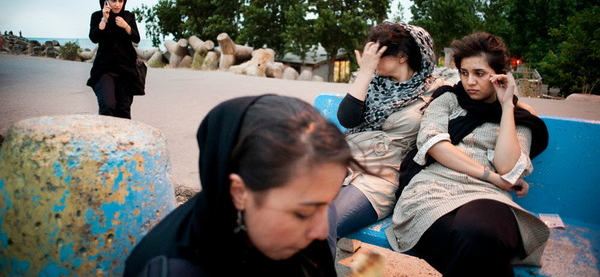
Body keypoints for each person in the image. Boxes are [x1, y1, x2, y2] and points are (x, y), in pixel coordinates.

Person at [124, 95, 361, 277]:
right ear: (239, 192)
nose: (322, 231)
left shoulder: (307, 219)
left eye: (329, 202)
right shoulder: (175, 269)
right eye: (303, 213)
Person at [386, 32, 550, 276]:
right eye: (464, 73)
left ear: (500, 75)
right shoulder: (447, 99)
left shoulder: (520, 115)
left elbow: (508, 168)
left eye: (479, 73)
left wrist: (506, 107)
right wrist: (489, 175)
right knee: (482, 247)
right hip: (431, 189)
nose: (469, 81)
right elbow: (434, 144)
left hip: (486, 196)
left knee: (478, 234)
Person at [328, 21, 446, 251]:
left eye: (377, 54)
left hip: (378, 178)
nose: (370, 61)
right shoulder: (371, 83)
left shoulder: (437, 91)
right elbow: (347, 119)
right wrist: (365, 73)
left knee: (322, 225)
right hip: (341, 163)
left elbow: (481, 102)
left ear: (402, 56)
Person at [87, 0, 143, 119]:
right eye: (113, 0)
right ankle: (107, 138)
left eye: (120, 1)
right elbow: (94, 38)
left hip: (126, 68)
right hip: (104, 68)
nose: (117, 4)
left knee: (123, 109)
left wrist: (126, 26)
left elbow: (136, 38)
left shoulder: (128, 16)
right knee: (107, 105)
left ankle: (124, 139)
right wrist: (104, 20)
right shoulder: (97, 16)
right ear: (106, 1)